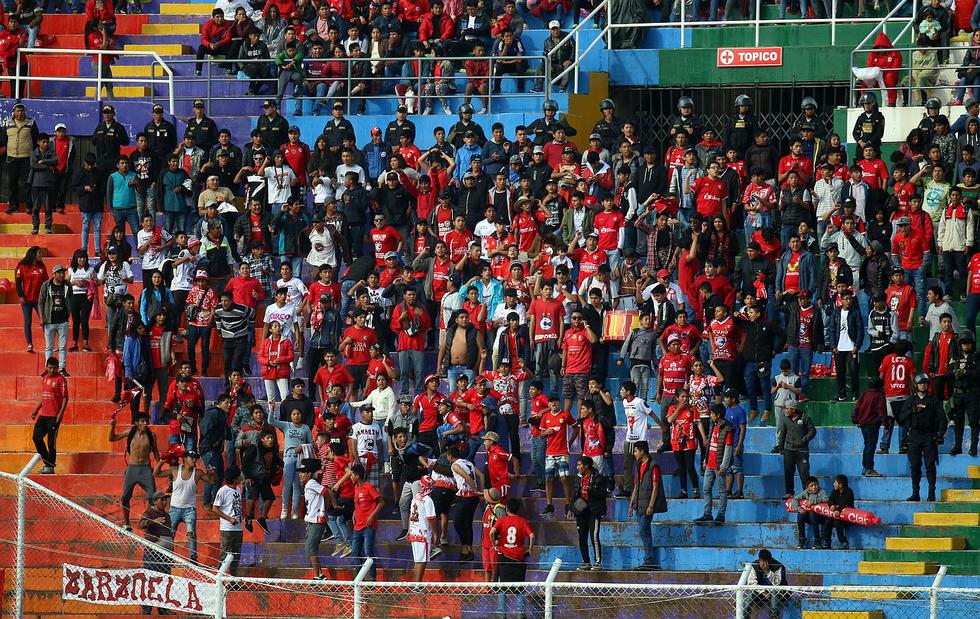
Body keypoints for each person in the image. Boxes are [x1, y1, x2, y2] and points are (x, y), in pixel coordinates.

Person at [902, 373, 945, 502]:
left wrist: (940, 434)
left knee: (930, 465)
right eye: (921, 383)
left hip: (929, 436)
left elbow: (943, 419)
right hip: (914, 436)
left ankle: (931, 493)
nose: (923, 385)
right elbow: (902, 418)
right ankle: (915, 493)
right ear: (916, 385)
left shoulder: (933, 399)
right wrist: (913, 410)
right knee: (915, 465)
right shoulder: (911, 400)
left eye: (925, 383)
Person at [490, 498, 534, 618]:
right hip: (518, 558)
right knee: (520, 587)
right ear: (519, 509)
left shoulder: (502, 520)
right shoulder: (523, 521)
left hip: (504, 557)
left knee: (502, 586)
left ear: (507, 508)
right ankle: (520, 613)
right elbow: (531, 535)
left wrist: (494, 545)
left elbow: (491, 532)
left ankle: (501, 612)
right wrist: (530, 549)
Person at [627, 440, 666, 571]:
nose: (634, 453)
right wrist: (631, 504)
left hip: (647, 505)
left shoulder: (653, 466)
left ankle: (649, 560)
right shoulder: (637, 465)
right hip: (639, 504)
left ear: (642, 451)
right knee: (644, 532)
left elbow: (656, 487)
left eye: (636, 451)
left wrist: (651, 506)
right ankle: (649, 561)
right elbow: (636, 486)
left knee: (644, 531)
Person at [695, 404, 733, 524]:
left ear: (718, 415)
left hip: (719, 465)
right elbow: (711, 444)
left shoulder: (728, 428)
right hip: (710, 464)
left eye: (712, 414)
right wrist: (705, 459)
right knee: (706, 488)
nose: (710, 416)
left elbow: (728, 448)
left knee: (722, 491)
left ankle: (721, 515)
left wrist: (724, 466)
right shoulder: (713, 426)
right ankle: (707, 513)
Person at [31, 356, 68, 475]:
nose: (52, 370)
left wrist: (60, 414)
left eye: (54, 368)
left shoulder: (61, 379)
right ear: (46, 367)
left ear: (57, 368)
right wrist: (36, 410)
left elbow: (65, 397)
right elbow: (44, 396)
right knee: (36, 437)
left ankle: (50, 466)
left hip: (53, 416)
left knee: (51, 443)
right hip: (44, 415)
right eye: (50, 368)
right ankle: (48, 463)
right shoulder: (45, 378)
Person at [138, 491, 174, 614]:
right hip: (153, 551)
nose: (165, 502)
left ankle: (163, 608)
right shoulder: (149, 512)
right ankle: (147, 608)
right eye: (162, 500)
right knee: (151, 579)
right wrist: (153, 521)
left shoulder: (167, 515)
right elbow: (141, 524)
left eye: (166, 500)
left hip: (167, 553)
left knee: (165, 579)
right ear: (155, 501)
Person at [571, 455, 609, 571]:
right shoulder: (577, 478)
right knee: (582, 538)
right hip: (581, 512)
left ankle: (597, 563)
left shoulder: (599, 478)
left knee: (594, 537)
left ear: (586, 466)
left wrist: (591, 490)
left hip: (594, 511)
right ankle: (586, 562)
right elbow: (574, 495)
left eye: (579, 465)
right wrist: (571, 509)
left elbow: (603, 495)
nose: (577, 467)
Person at [296, 458, 329, 580]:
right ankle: (319, 574)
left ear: (309, 473)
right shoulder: (309, 484)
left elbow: (327, 492)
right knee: (310, 548)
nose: (300, 474)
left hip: (316, 521)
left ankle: (317, 575)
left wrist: (327, 509)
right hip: (311, 520)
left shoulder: (311, 483)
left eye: (302, 472)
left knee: (311, 548)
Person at [350, 462, 383, 580]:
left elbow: (381, 502)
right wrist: (354, 512)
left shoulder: (369, 487)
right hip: (357, 525)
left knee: (368, 551)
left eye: (352, 475)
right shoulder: (355, 488)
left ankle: (373, 578)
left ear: (357, 476)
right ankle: (360, 578)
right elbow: (357, 503)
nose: (350, 477)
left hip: (368, 525)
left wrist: (371, 516)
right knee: (355, 552)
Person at [38, 265, 71, 376]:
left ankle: (62, 368)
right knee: (49, 347)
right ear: (54, 274)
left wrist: (68, 314)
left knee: (62, 346)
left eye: (63, 273)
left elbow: (69, 299)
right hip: (49, 321)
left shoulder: (67, 285)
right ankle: (48, 368)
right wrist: (42, 317)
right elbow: (41, 302)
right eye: (59, 273)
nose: (62, 275)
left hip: (63, 320)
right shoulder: (46, 285)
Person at [777, 404, 815, 499]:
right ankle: (789, 492)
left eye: (787, 408)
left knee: (804, 473)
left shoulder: (805, 418)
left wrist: (804, 439)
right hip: (789, 450)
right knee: (788, 472)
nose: (785, 410)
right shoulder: (785, 419)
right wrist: (780, 447)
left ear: (793, 409)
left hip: (802, 451)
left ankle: (806, 493)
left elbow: (812, 430)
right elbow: (783, 433)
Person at [15, 246, 48, 353]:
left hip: (39, 300)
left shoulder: (42, 266)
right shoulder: (22, 266)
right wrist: (20, 296)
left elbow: (46, 281)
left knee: (44, 321)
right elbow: (18, 282)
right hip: (26, 299)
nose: (41, 255)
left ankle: (49, 343)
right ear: (34, 254)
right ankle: (29, 344)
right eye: (39, 253)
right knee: (28, 321)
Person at [212, 466, 245, 574]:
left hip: (238, 528)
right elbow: (215, 508)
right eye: (239, 475)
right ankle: (219, 580)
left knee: (236, 557)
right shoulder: (223, 491)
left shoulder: (238, 490)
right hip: (227, 528)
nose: (241, 477)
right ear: (234, 478)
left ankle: (233, 581)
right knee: (225, 556)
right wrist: (229, 519)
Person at [852, 376, 886, 477]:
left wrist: (856, 420)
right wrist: (884, 421)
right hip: (872, 424)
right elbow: (881, 411)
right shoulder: (879, 396)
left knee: (867, 445)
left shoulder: (864, 394)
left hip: (863, 425)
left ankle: (865, 467)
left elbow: (856, 409)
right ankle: (869, 468)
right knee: (871, 446)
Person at [407, 476, 437, 582]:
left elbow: (410, 516)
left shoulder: (415, 498)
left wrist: (409, 530)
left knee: (417, 560)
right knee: (422, 561)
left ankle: (416, 584)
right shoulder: (428, 500)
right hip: (423, 533)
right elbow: (431, 518)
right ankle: (417, 585)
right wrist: (435, 534)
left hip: (414, 531)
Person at [742, 549, 788, 619]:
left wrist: (767, 571)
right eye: (761, 561)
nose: (763, 563)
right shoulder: (754, 565)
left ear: (770, 560)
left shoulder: (778, 566)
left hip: (779, 594)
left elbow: (777, 584)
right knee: (749, 593)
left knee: (774, 593)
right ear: (759, 559)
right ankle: (744, 616)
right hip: (761, 593)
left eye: (766, 561)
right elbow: (751, 583)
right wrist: (763, 591)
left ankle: (774, 617)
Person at [791, 477, 829, 549]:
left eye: (815, 485)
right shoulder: (806, 492)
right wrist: (799, 509)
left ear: (818, 484)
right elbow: (794, 499)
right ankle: (802, 539)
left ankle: (817, 540)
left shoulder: (822, 492)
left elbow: (826, 499)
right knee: (800, 515)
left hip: (820, 517)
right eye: (811, 486)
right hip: (810, 518)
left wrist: (812, 501)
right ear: (807, 488)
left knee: (812, 513)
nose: (814, 487)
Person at [823, 474, 855, 550]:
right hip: (836, 515)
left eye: (835, 482)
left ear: (840, 485)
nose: (834, 484)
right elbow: (830, 500)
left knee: (838, 523)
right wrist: (831, 505)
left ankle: (843, 542)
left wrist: (838, 510)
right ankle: (826, 541)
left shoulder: (849, 492)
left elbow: (846, 503)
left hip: (846, 516)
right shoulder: (834, 491)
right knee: (827, 522)